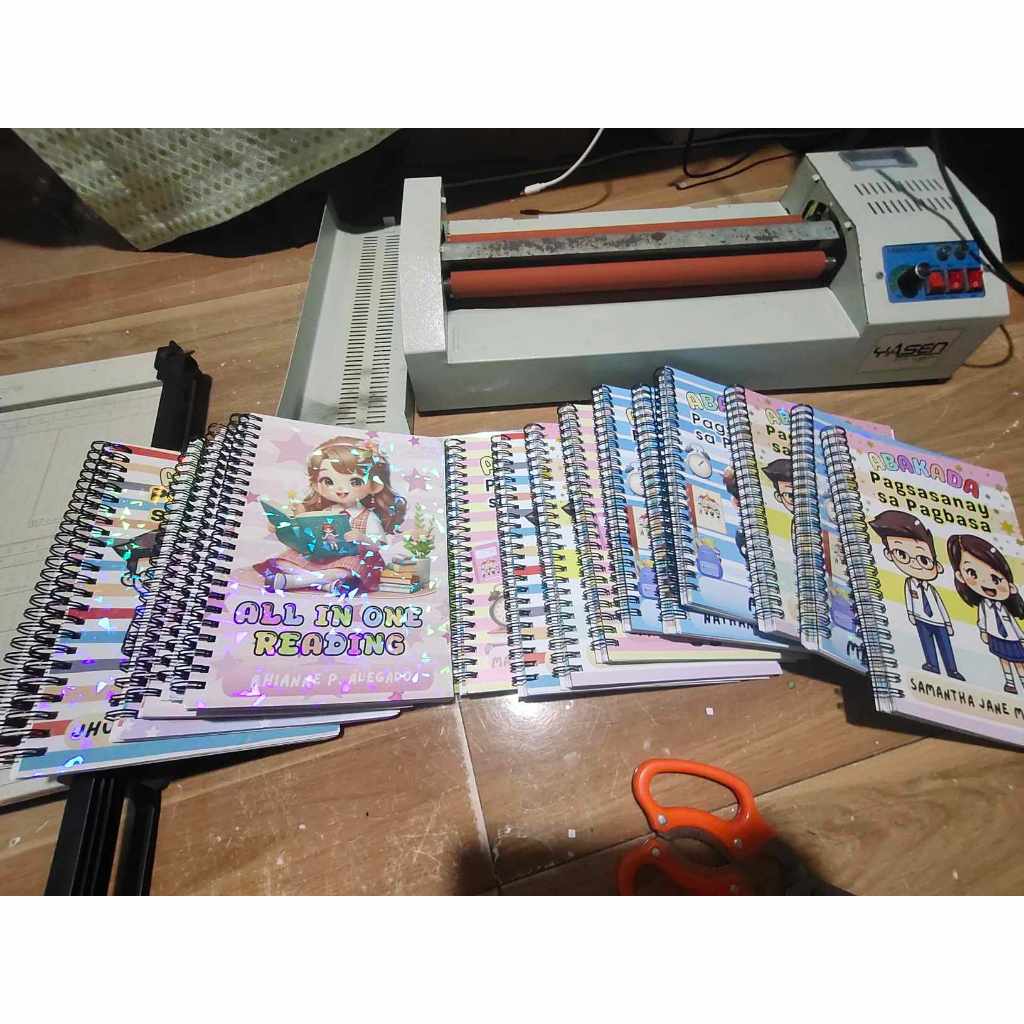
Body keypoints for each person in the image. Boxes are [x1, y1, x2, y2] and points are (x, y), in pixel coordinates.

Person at [254, 436, 406, 595]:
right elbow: (305, 538)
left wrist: (363, 539)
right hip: (321, 557)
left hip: (353, 558)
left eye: (355, 482)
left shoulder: (369, 517)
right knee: (283, 560)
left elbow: (377, 546)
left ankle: (296, 581)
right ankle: (324, 584)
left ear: (374, 486)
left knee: (350, 568)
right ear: (316, 485)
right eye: (328, 481)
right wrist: (282, 528)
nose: (341, 489)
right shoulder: (324, 512)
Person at [868, 510, 964, 680]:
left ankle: (952, 670)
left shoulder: (932, 590)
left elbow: (940, 605)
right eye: (902, 555)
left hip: (939, 622)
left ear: (937, 566)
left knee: (945, 645)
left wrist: (948, 623)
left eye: (924, 560)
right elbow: (909, 600)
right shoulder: (909, 584)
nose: (914, 564)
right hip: (921, 619)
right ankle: (932, 665)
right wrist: (911, 615)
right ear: (889, 555)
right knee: (926, 643)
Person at [948, 534, 1024, 694]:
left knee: (1019, 661)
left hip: (1012, 638)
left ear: (1011, 586)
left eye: (996, 579)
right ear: (960, 576)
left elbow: (1012, 623)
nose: (985, 582)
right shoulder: (984, 606)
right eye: (972, 573)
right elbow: (982, 620)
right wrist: (983, 632)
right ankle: (1010, 682)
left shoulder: (1004, 608)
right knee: (1003, 659)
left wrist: (1021, 637)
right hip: (995, 635)